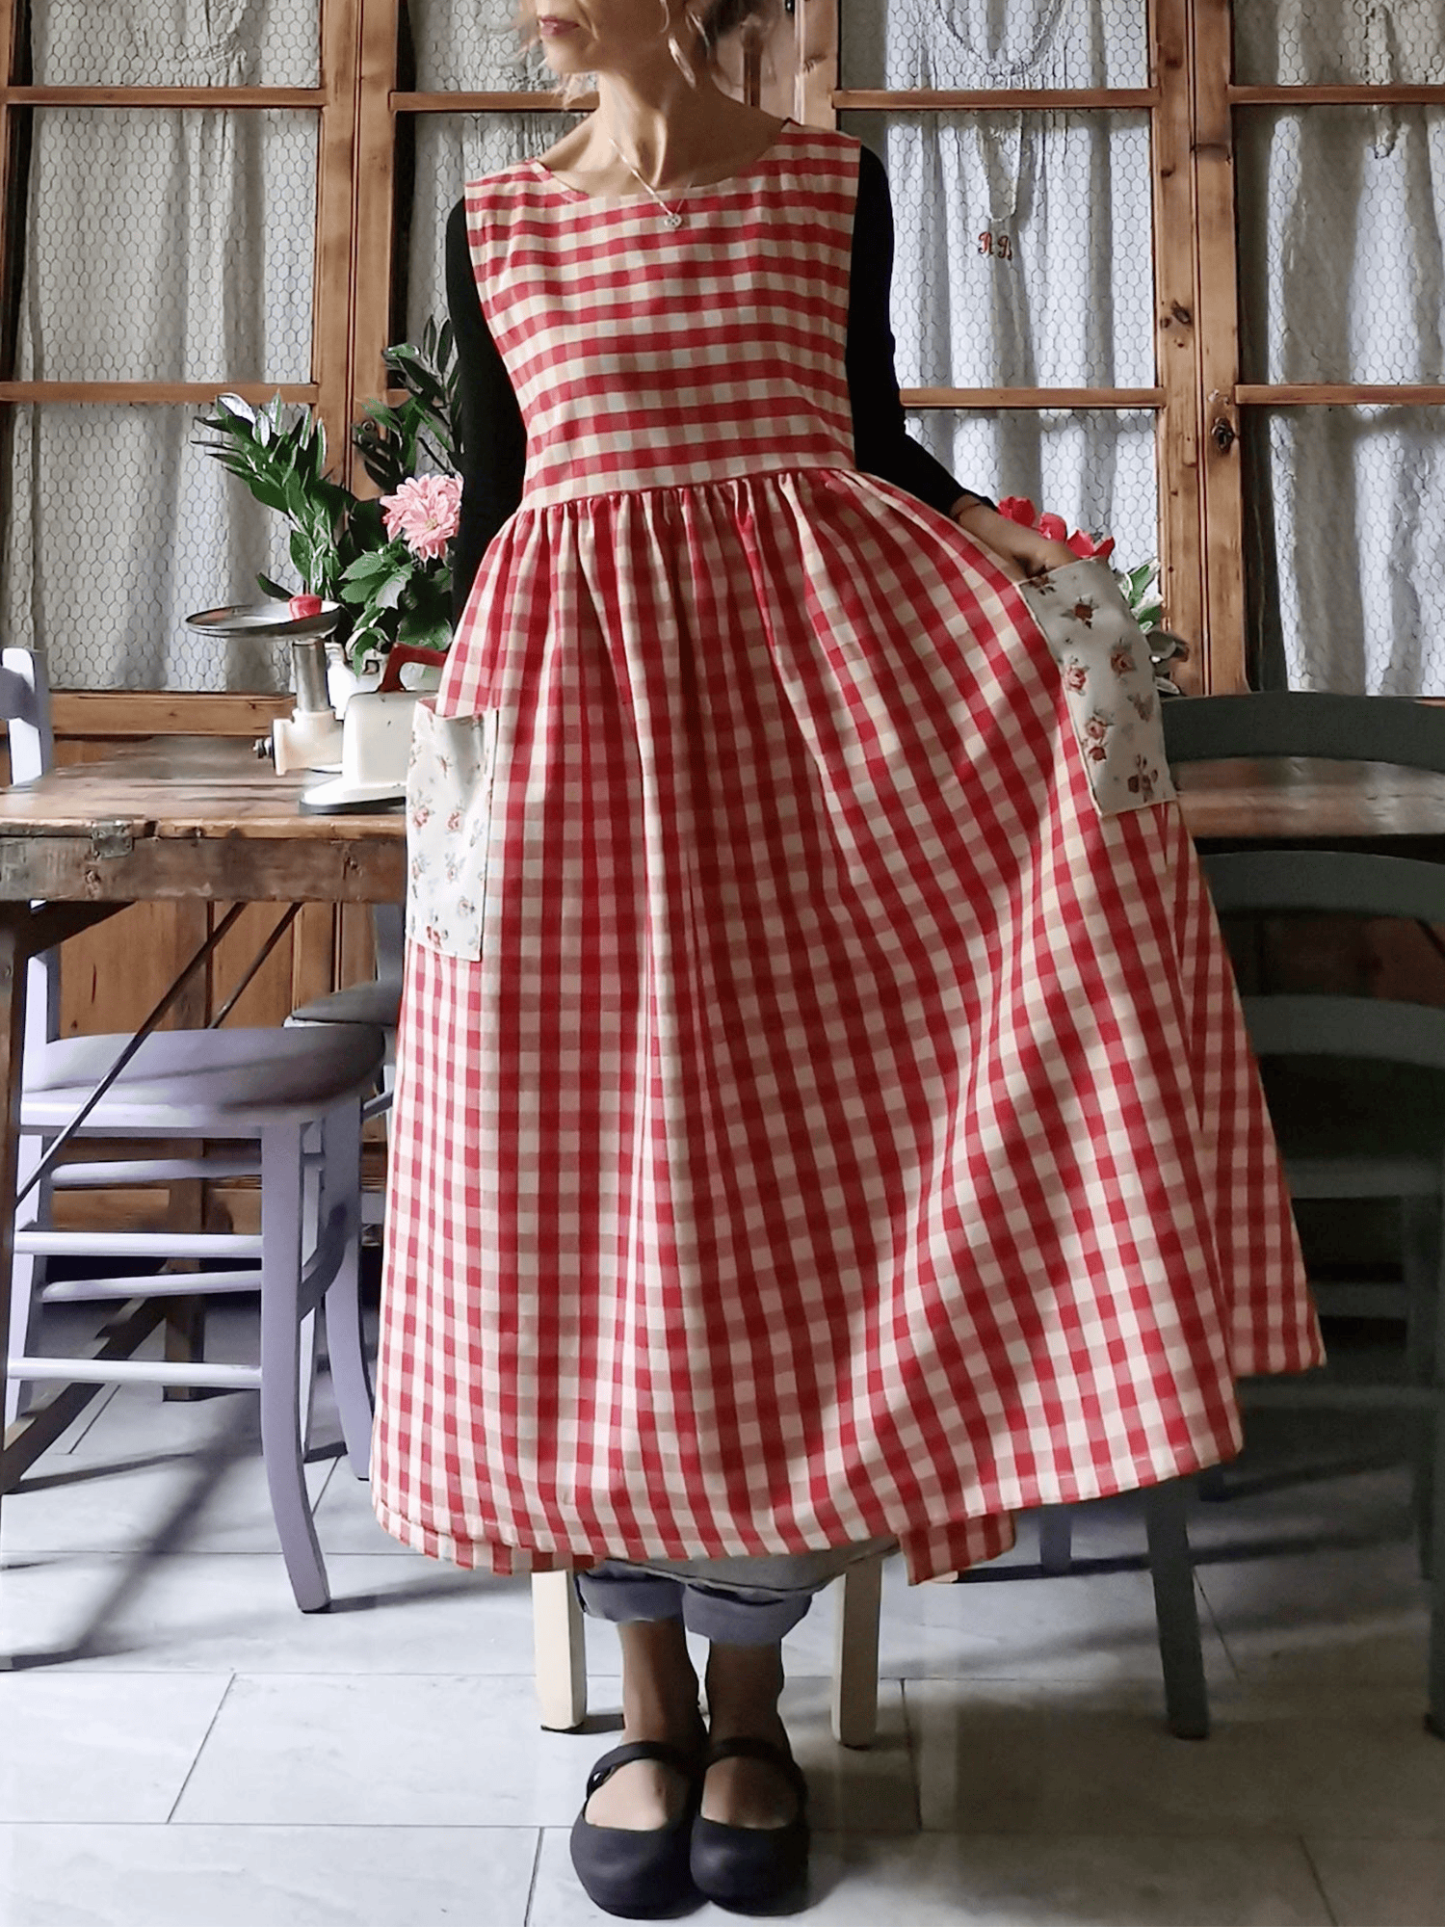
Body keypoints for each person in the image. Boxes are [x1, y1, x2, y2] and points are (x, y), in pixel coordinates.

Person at [370, 0, 1323, 1915]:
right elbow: (491, 522)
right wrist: (447, 793)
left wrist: (1054, 601)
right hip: (572, 796)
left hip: (804, 773)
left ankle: (752, 1706)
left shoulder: (827, 189)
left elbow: (876, 447)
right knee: (591, 1232)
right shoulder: (498, 224)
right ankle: (648, 1704)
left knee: (777, 1237)